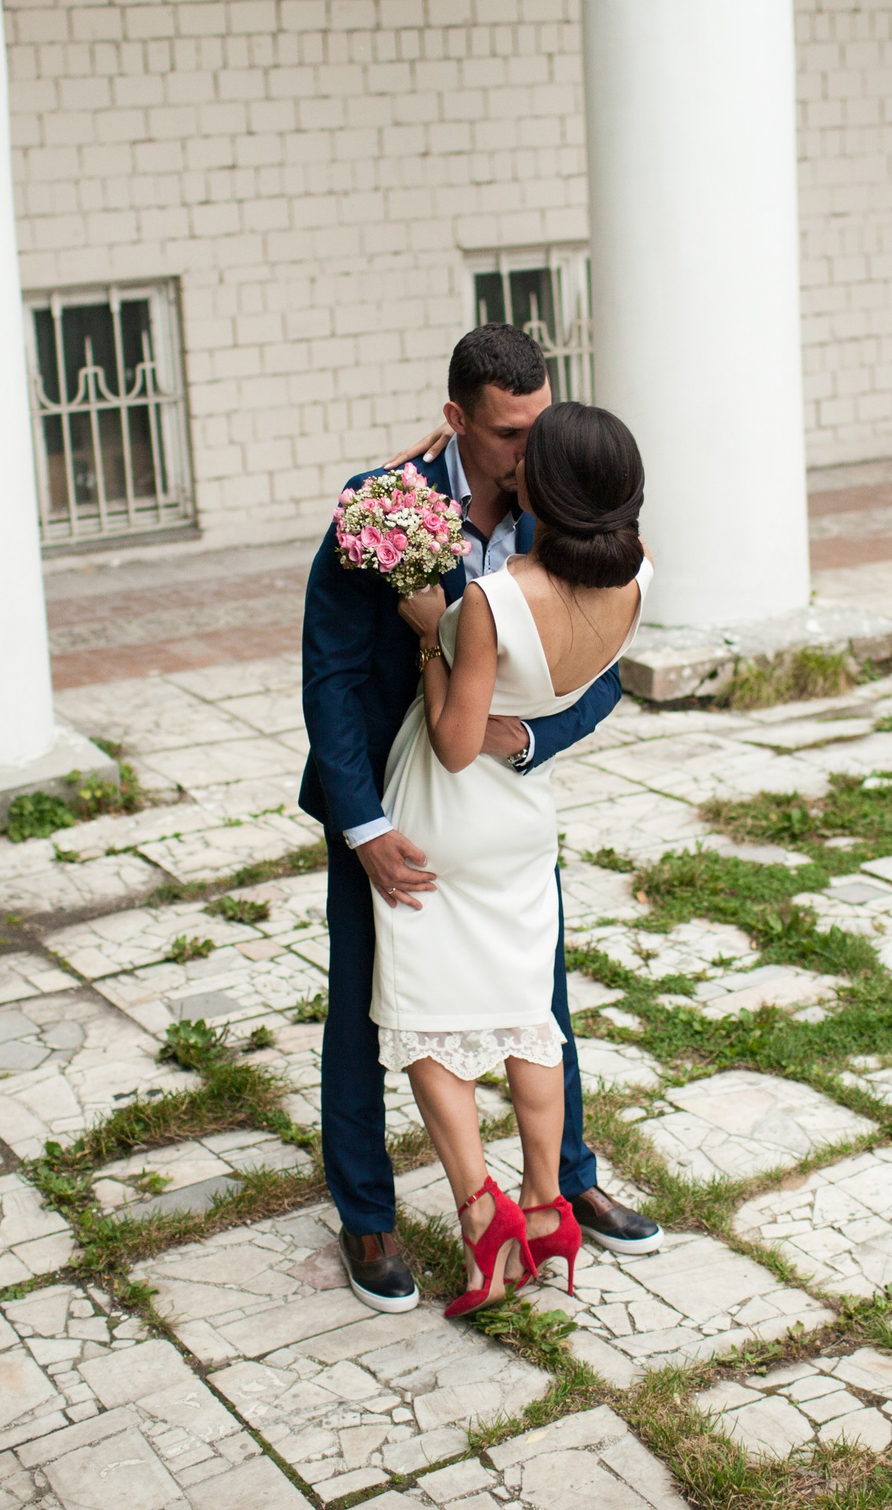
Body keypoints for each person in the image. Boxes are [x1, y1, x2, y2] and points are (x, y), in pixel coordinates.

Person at [298, 324, 662, 1315]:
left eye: (540, 426)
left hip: (501, 802)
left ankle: (565, 1184)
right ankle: (367, 1213)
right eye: (508, 432)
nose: (529, 450)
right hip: (392, 801)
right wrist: (361, 825)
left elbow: (603, 672)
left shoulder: (568, 510)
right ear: (458, 418)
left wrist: (529, 741)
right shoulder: (383, 507)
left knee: (536, 993)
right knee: (369, 1005)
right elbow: (329, 674)